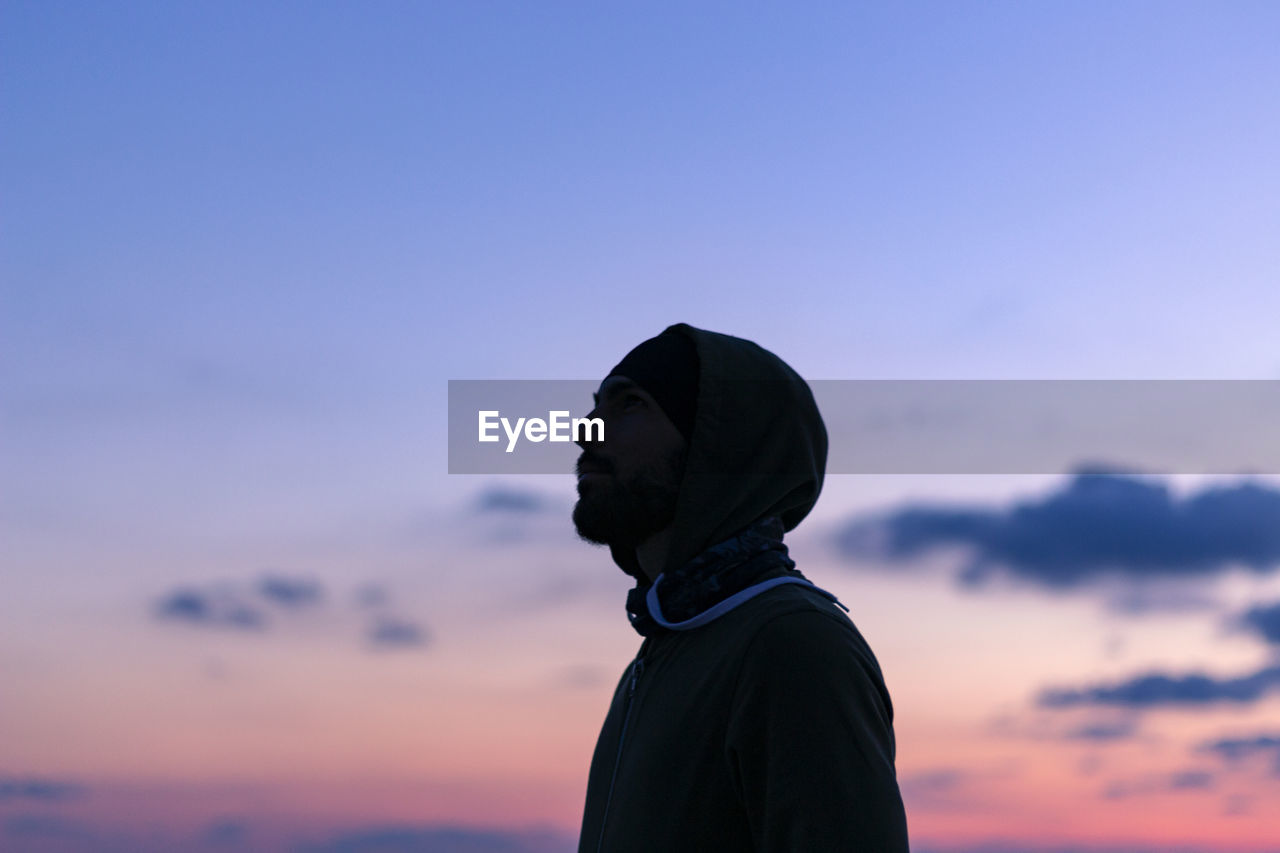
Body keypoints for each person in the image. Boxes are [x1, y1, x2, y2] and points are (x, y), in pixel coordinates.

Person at [572, 323, 910, 852]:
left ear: (718, 443)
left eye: (629, 405)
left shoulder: (794, 644)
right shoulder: (659, 657)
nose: (586, 431)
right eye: (596, 410)